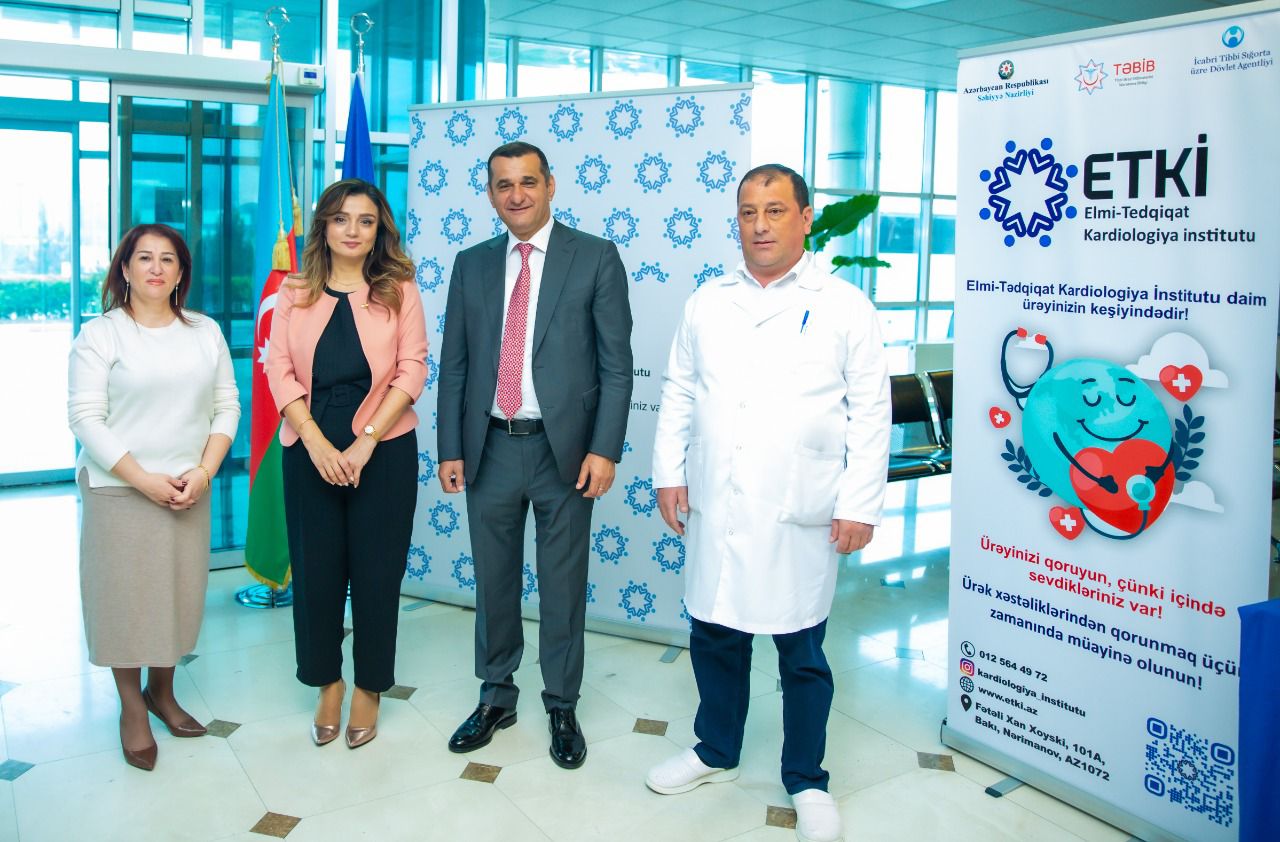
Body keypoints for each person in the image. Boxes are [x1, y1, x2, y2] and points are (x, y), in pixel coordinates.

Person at [647, 165, 890, 842]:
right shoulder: (709, 301)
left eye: (775, 210)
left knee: (801, 650)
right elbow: (680, 390)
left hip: (798, 508)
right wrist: (668, 472)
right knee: (714, 633)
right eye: (748, 212)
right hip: (718, 501)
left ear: (805, 218)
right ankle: (715, 749)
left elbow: (871, 412)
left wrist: (860, 503)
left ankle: (807, 777)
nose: (759, 225)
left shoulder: (844, 305)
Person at [436, 141, 632, 769]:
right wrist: (449, 447)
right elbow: (455, 365)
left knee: (562, 585)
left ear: (551, 185)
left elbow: (617, 367)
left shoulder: (595, 257)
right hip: (489, 446)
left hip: (563, 452)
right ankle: (496, 695)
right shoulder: (471, 264)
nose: (516, 195)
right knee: (493, 581)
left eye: (528, 181)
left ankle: (562, 704)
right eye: (503, 185)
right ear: (490, 194)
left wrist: (604, 449)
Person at [68, 223, 240, 771]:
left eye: (168, 259)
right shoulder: (101, 335)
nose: (156, 268)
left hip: (188, 487)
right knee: (124, 602)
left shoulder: (205, 332)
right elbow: (85, 418)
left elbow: (227, 406)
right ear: (125, 268)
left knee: (176, 597)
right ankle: (131, 708)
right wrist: (143, 479)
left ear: (182, 272)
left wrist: (205, 472)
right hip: (119, 489)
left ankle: (162, 692)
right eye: (144, 258)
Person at [265, 178, 427, 749]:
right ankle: (327, 683)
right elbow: (277, 368)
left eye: (365, 220)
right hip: (308, 449)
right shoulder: (295, 289)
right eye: (341, 219)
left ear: (380, 229)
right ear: (324, 227)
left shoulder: (399, 288)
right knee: (316, 575)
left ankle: (370, 687)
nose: (353, 230)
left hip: (383, 450)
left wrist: (365, 442)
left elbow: (413, 367)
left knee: (378, 575)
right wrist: (314, 442)